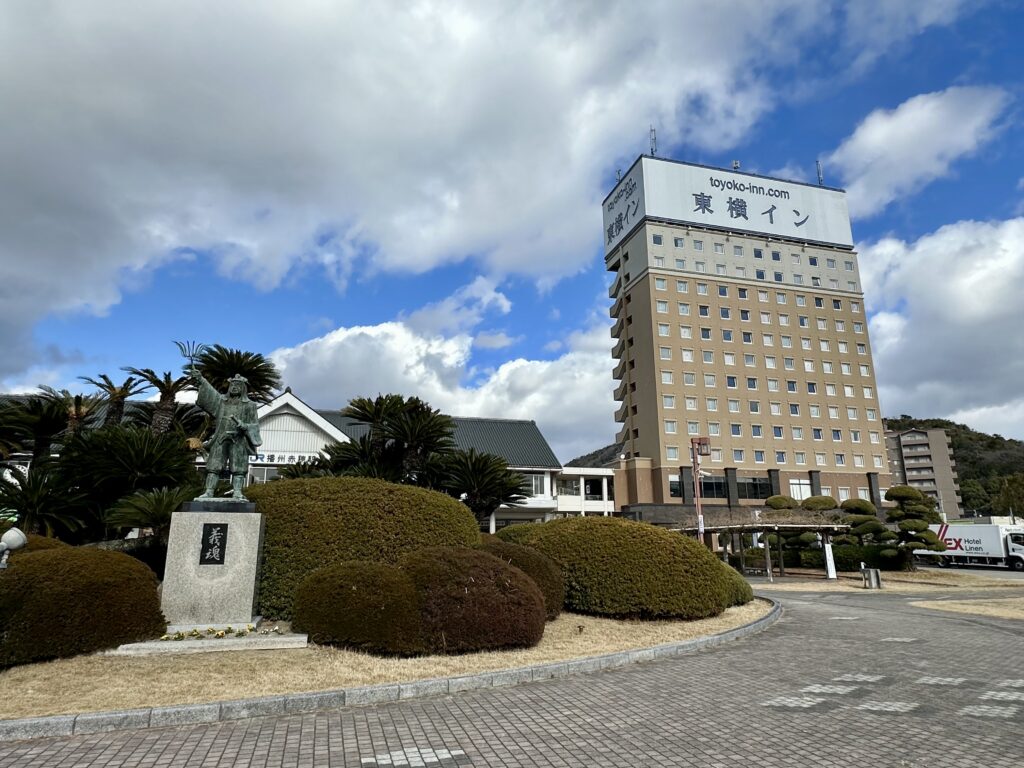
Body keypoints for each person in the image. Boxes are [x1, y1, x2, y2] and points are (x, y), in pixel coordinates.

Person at [189, 368, 262, 500]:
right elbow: (210, 393)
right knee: (213, 466)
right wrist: (200, 379)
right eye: (232, 385)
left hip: (238, 439)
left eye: (238, 385)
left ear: (243, 388)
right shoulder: (222, 401)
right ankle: (209, 492)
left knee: (238, 467)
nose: (234, 387)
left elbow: (255, 425)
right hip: (220, 437)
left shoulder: (250, 405)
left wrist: (245, 426)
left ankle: (238, 492)